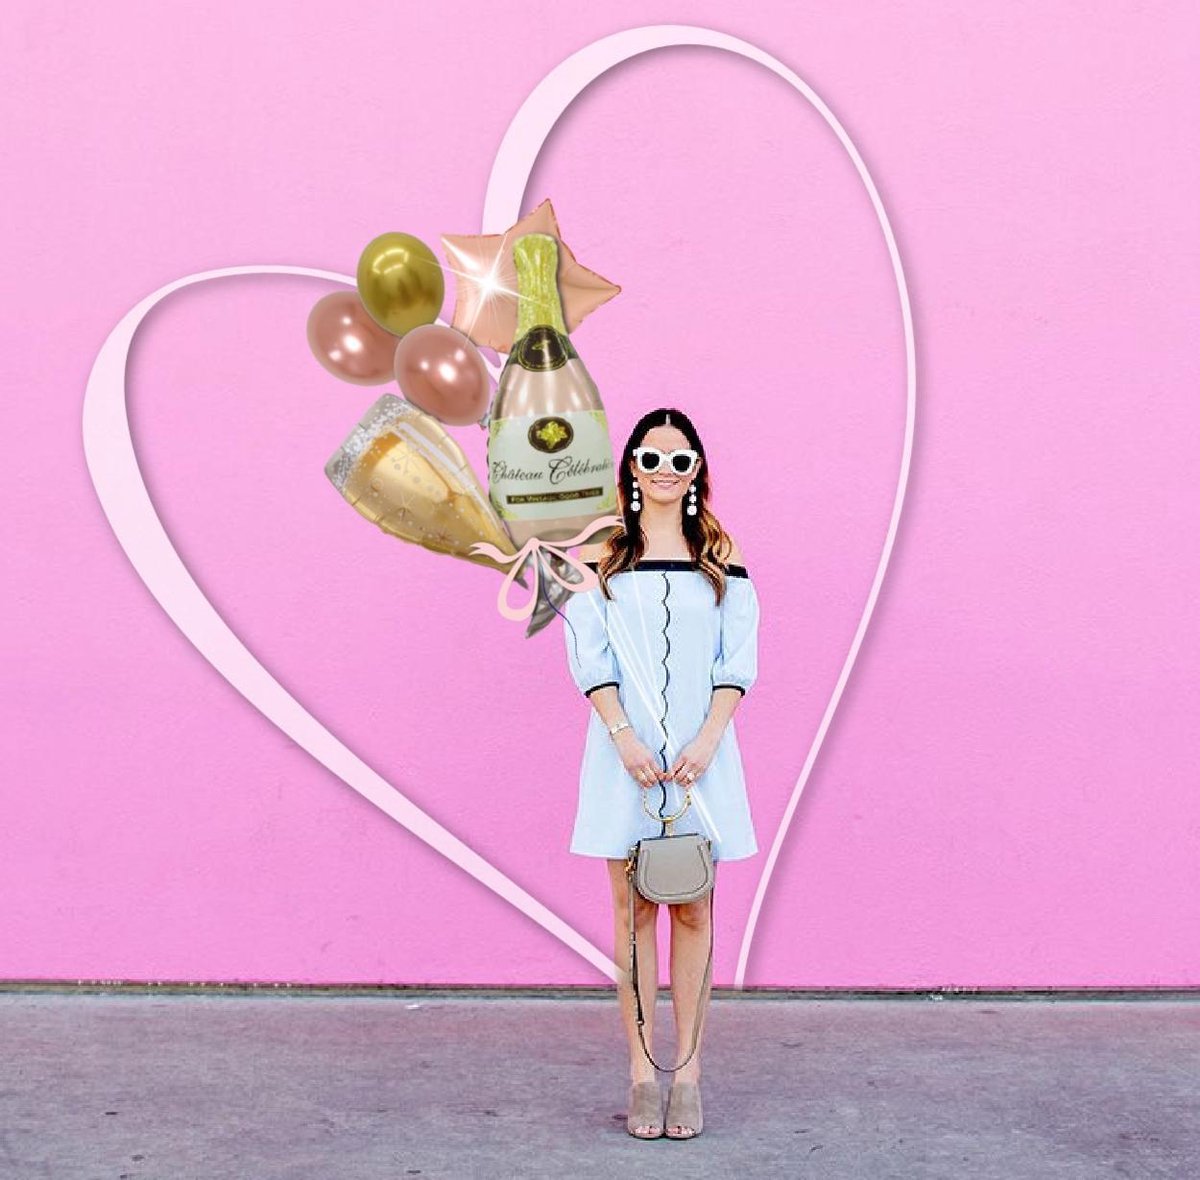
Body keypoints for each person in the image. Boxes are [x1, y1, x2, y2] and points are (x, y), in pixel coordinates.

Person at [561, 406, 761, 1140]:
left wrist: (709, 741)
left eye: (681, 461)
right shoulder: (604, 556)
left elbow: (735, 660)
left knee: (697, 909)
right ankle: (643, 1072)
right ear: (632, 469)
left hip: (702, 764)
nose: (667, 473)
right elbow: (590, 653)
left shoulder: (722, 556)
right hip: (625, 764)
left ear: (698, 470)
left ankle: (691, 1073)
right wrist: (622, 737)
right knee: (633, 913)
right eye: (652, 459)